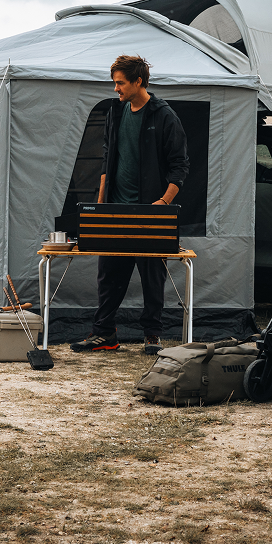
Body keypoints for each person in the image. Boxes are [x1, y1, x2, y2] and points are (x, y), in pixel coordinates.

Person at [71, 55, 189, 355]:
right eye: (114, 83)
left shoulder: (163, 116)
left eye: (120, 83)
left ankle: (152, 335)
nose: (116, 89)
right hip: (114, 210)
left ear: (138, 81)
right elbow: (108, 158)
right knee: (109, 274)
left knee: (152, 275)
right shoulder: (117, 112)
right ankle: (104, 334)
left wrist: (163, 202)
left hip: (150, 212)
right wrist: (100, 205)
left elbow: (180, 166)